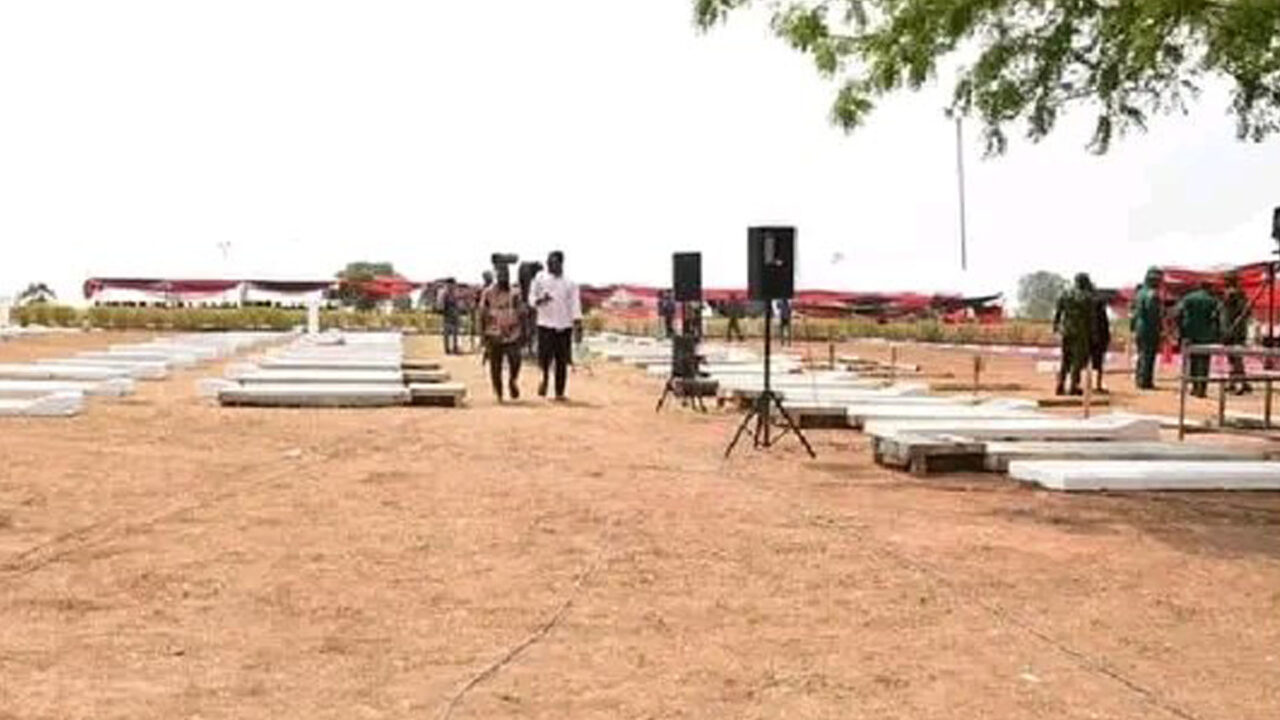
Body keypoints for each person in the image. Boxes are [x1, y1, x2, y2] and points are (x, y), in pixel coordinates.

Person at [530, 250, 582, 400]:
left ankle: (559, 392)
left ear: (560, 263)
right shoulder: (540, 278)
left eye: (552, 262)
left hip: (563, 327)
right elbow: (531, 298)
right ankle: (544, 378)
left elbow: (575, 305)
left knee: (561, 361)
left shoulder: (570, 283)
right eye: (548, 262)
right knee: (544, 358)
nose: (549, 265)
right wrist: (540, 300)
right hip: (545, 325)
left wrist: (577, 325)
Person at [478, 265, 525, 402]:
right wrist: (482, 335)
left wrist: (524, 332)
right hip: (493, 334)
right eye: (501, 275)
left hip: (512, 333)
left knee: (515, 360)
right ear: (496, 276)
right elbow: (481, 314)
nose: (504, 277)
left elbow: (521, 312)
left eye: (506, 275)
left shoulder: (515, 293)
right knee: (495, 365)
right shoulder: (488, 293)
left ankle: (512, 380)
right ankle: (498, 392)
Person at [1176, 281, 1222, 398]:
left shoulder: (1188, 298)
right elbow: (1216, 318)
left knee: (1193, 361)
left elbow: (1178, 313)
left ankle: (1194, 387)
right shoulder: (1212, 300)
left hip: (1190, 334)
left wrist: (1181, 329)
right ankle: (1202, 389)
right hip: (1206, 336)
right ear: (1209, 288)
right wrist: (1217, 334)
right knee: (1204, 362)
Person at [1052, 273, 1093, 396]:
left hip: (1067, 330)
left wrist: (1056, 327)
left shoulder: (1065, 294)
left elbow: (1058, 313)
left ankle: (1060, 384)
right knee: (1077, 361)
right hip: (1080, 332)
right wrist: (1093, 334)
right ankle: (1073, 386)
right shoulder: (1087, 297)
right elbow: (1091, 318)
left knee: (1065, 359)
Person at [1130, 268, 1163, 390]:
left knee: (1142, 354)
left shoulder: (1140, 293)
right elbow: (1153, 313)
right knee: (1148, 355)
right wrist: (1160, 328)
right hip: (1149, 328)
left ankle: (1140, 379)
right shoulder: (1152, 294)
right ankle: (1145, 381)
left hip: (1140, 327)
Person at [1221, 271, 1252, 395]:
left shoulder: (1235, 294)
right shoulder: (1235, 294)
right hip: (1231, 329)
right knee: (1233, 358)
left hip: (1234, 330)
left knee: (1236, 357)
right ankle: (1237, 382)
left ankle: (1240, 384)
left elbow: (1243, 313)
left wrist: (1232, 328)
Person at [1083, 275, 1110, 393]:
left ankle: (1083, 385)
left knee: (1084, 361)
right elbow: (1104, 321)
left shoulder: (1082, 301)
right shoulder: (1099, 301)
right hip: (1099, 335)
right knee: (1098, 363)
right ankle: (1097, 385)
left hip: (1085, 335)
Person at [438, 278, 461, 355]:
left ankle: (454, 347)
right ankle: (447, 348)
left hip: (454, 313)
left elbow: (458, 303)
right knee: (447, 332)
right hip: (447, 314)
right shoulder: (443, 292)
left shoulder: (455, 292)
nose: (452, 286)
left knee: (455, 332)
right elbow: (441, 304)